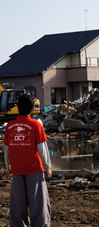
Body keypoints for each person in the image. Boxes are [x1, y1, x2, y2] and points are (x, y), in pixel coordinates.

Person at [4, 94, 52, 226]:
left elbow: (6, 149)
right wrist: (48, 167)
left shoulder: (9, 126)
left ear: (18, 107)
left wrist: (9, 167)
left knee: (18, 206)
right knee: (38, 204)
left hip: (17, 171)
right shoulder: (36, 125)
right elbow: (42, 148)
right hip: (34, 170)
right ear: (32, 109)